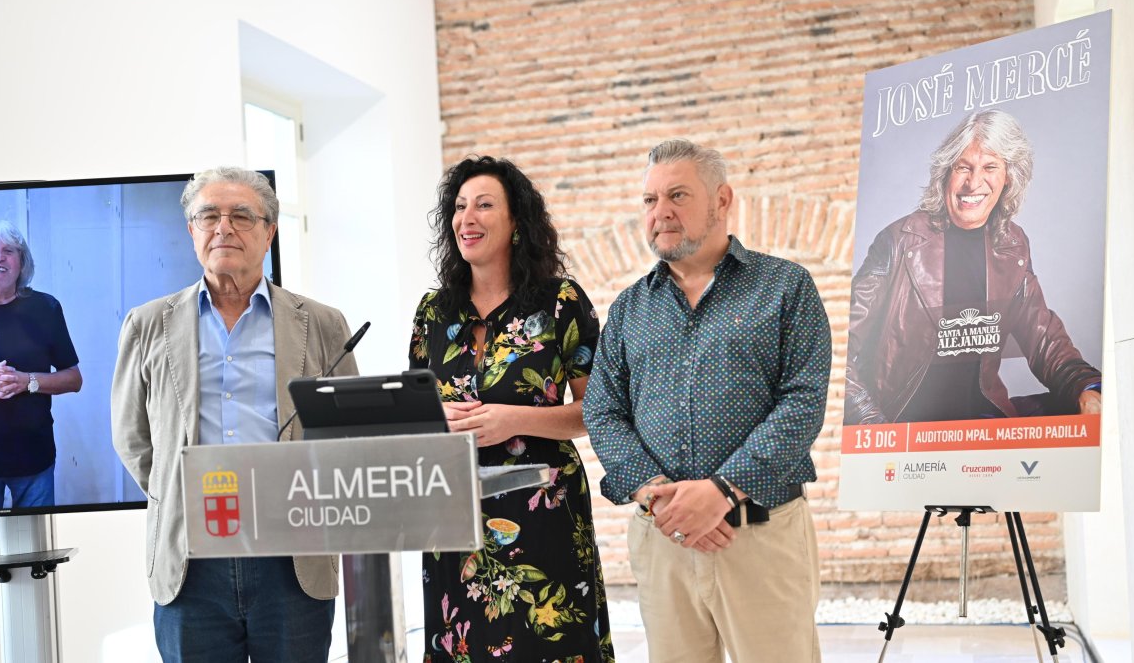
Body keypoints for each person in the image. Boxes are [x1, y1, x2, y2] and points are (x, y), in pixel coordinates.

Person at [584, 139, 831, 662]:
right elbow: (603, 411)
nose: (660, 212)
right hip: (663, 539)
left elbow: (803, 402)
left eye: (677, 195)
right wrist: (655, 493)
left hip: (759, 538)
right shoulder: (629, 309)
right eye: (649, 200)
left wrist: (723, 490)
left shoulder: (785, 287)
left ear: (722, 200)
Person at [111, 167, 357, 663]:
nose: (223, 227)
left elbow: (350, 430)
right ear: (191, 232)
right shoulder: (146, 324)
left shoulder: (324, 324)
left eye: (241, 215)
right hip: (190, 563)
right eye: (208, 215)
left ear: (270, 231)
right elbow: (133, 440)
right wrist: (180, 493)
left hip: (293, 559)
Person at [408, 155, 614, 662]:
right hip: (452, 512)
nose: (466, 218)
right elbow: (415, 412)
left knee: (548, 642)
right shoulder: (433, 312)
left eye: (483, 205)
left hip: (542, 509)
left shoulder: (561, 302)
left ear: (517, 222)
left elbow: (599, 410)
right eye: (458, 208)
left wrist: (514, 420)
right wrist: (437, 420)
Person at [845, 109, 1102, 425]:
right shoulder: (900, 241)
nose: (974, 182)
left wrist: (1084, 388)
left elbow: (1044, 340)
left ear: (1009, 176)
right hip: (906, 425)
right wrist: (873, 424)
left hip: (980, 424)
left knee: (1086, 410)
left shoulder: (1012, 245)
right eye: (962, 167)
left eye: (990, 167)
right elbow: (837, 345)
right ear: (944, 175)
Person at [0, 220, 82, 510]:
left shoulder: (46, 308)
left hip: (34, 460)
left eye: (9, 250)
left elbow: (73, 379)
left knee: (36, 550)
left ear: (22, 263)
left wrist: (27, 381)